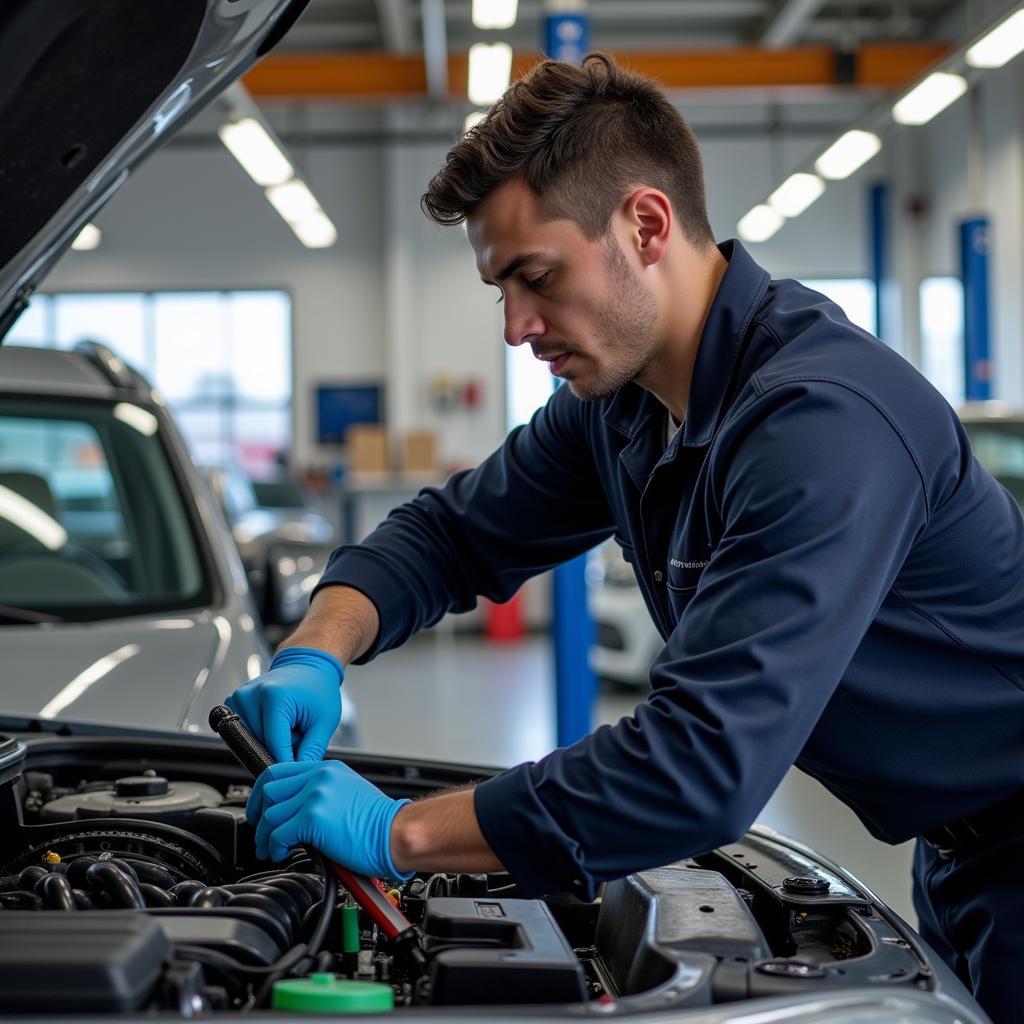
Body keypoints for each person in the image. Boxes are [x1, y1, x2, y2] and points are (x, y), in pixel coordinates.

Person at [227, 54, 1024, 1021]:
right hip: (958, 854)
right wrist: (315, 651)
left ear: (645, 224)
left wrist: (400, 833)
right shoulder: (628, 404)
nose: (519, 326)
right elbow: (450, 534)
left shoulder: (824, 424)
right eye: (500, 291)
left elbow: (700, 767)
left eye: (537, 277)